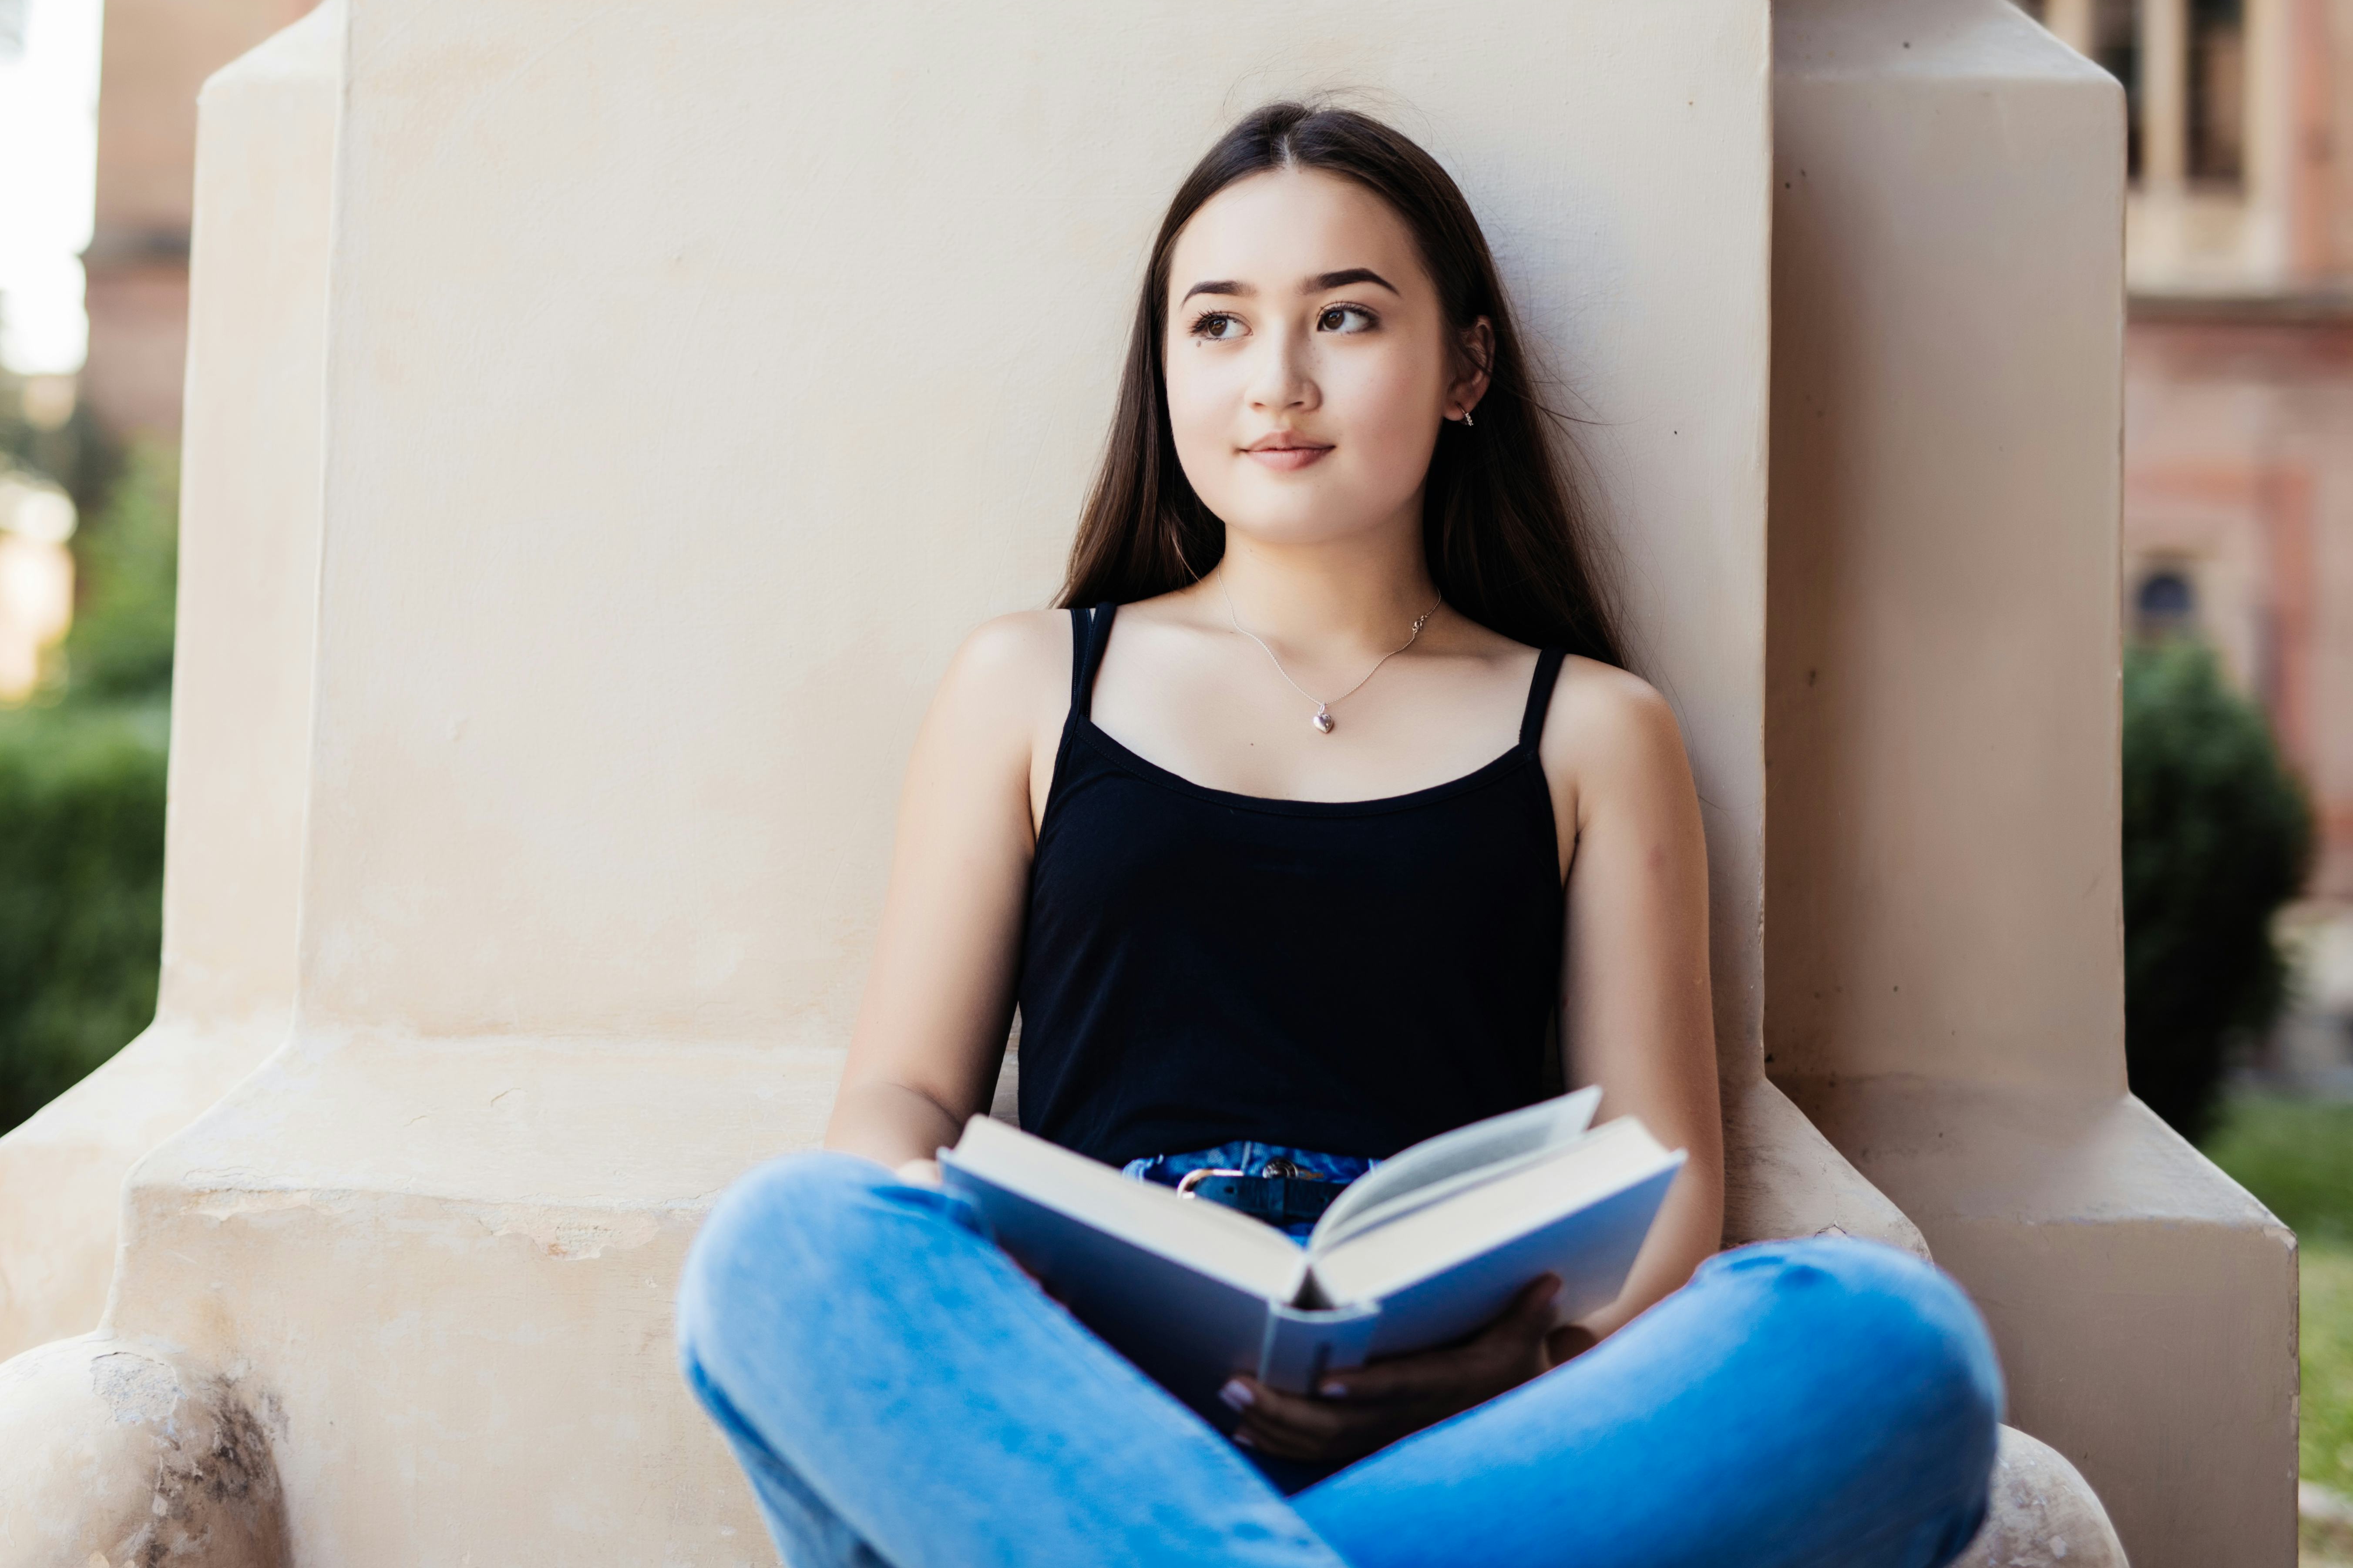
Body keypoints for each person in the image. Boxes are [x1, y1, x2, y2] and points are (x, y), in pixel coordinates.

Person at [678, 104, 2000, 1568]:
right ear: (1166, 368)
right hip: (1088, 1408)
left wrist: (1519, 1370)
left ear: (1466, 369)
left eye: (1348, 319)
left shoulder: (1590, 731)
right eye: (1221, 326)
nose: (1279, 383)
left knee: (1886, 1343)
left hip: (1463, 1428)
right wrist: (1020, 1294)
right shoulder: (1032, 682)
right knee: (787, 1242)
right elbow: (902, 1106)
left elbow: (1666, 1181)